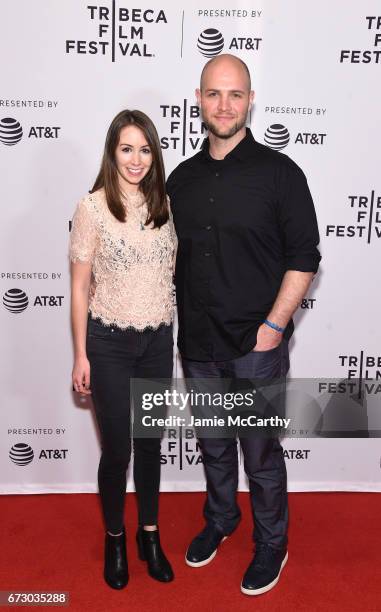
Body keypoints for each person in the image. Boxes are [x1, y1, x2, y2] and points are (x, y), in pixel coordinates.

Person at [166, 54, 321, 596]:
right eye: (214, 94)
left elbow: (304, 257)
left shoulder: (280, 173)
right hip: (200, 343)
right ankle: (221, 518)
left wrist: (275, 327)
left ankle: (271, 543)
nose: (224, 105)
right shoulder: (180, 179)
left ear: (250, 100)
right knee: (212, 444)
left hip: (256, 345)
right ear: (199, 99)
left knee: (259, 453)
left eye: (235, 94)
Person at [70, 109, 176, 589]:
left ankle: (148, 534)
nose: (136, 159)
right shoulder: (91, 207)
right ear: (113, 151)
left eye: (145, 149)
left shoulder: (166, 205)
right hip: (108, 344)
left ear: (155, 154)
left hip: (157, 341)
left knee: (151, 446)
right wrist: (80, 354)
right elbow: (78, 288)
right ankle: (115, 536)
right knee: (117, 452)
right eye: (126, 148)